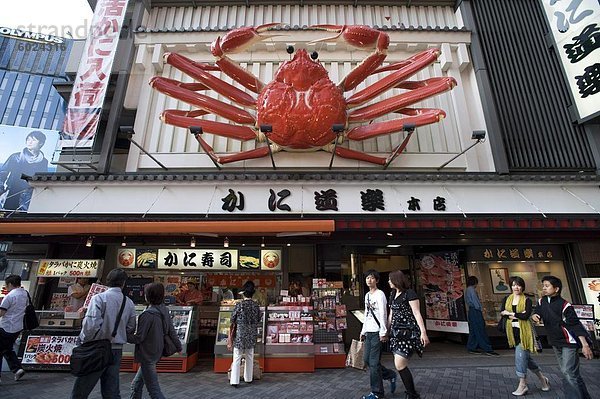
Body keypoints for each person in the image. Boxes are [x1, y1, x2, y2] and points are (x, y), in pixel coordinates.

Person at [71, 269, 137, 399]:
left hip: (96, 348)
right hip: (116, 349)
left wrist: (83, 340)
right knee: (112, 391)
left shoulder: (99, 298)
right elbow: (131, 327)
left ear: (108, 281)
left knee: (81, 390)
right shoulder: (128, 302)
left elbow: (91, 325)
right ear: (123, 283)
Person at [532, 276, 593, 399]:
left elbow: (575, 324)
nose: (544, 288)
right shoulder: (541, 301)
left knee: (568, 372)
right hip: (555, 341)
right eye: (543, 285)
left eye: (547, 286)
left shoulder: (565, 305)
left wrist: (585, 345)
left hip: (569, 342)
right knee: (571, 374)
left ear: (556, 289)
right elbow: (537, 312)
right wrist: (535, 316)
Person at [128, 282, 182, 399]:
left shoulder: (147, 315)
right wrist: (179, 347)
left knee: (154, 390)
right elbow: (171, 331)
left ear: (148, 296)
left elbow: (139, 338)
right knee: (136, 385)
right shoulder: (165, 310)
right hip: (157, 351)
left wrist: (123, 334)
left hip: (147, 354)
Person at [499, 276, 550, 396]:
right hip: (512, 332)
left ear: (522, 286)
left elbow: (526, 315)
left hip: (525, 333)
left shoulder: (527, 299)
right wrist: (516, 314)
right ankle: (543, 379)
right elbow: (502, 313)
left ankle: (523, 384)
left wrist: (510, 313)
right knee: (526, 360)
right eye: (513, 285)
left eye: (518, 285)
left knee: (520, 356)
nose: (516, 287)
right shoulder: (506, 299)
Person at [387, 270, 429, 399]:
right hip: (395, 333)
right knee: (399, 364)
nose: (388, 282)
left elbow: (417, 313)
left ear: (396, 280)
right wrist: (386, 330)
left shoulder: (409, 293)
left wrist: (423, 332)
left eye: (390, 279)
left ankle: (412, 394)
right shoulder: (393, 294)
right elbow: (391, 314)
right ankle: (411, 393)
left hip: (407, 333)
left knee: (400, 364)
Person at [360, 269, 397, 399]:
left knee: (374, 363)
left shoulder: (380, 294)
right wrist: (363, 330)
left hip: (377, 332)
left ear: (377, 280)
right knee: (366, 360)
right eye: (367, 278)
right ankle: (390, 375)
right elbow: (366, 314)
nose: (369, 280)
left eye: (371, 278)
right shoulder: (367, 295)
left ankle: (377, 393)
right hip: (368, 331)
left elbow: (383, 313)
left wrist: (383, 331)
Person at [0, 130, 48, 211]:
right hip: (12, 192)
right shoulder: (15, 157)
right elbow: (3, 173)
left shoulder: (43, 161)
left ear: (41, 143)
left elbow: (42, 179)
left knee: (23, 217)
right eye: (28, 139)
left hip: (29, 195)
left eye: (33, 140)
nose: (29, 142)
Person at [228, 280, 261, 387]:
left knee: (237, 357)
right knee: (250, 356)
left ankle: (234, 380)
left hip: (240, 334)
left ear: (243, 294)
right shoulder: (256, 305)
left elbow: (232, 318)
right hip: (251, 334)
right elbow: (258, 318)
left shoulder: (239, 305)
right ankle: (248, 378)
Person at [0, 274, 28, 383]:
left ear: (10, 284)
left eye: (6, 285)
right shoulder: (24, 293)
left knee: (2, 349)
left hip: (6, 326)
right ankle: (17, 369)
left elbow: (2, 312)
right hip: (18, 327)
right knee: (7, 348)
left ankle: (16, 369)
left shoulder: (10, 296)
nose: (6, 287)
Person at [465, 276, 499, 356]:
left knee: (473, 330)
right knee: (480, 329)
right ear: (475, 282)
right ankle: (487, 348)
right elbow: (476, 302)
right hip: (475, 311)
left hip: (471, 311)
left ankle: (471, 347)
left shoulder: (467, 290)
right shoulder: (472, 290)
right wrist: (481, 309)